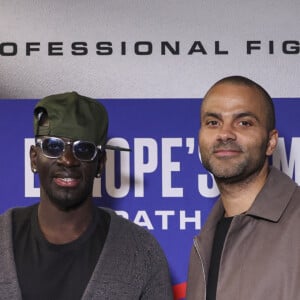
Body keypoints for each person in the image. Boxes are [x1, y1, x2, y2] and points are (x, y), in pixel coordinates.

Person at [0, 92, 173, 299]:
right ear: (34, 158)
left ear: (100, 164)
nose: (67, 160)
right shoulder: (4, 236)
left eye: (83, 149)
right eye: (53, 146)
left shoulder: (141, 253)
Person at [186, 75, 300, 300]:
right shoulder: (205, 239)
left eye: (244, 122)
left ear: (270, 142)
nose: (225, 133)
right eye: (213, 122)